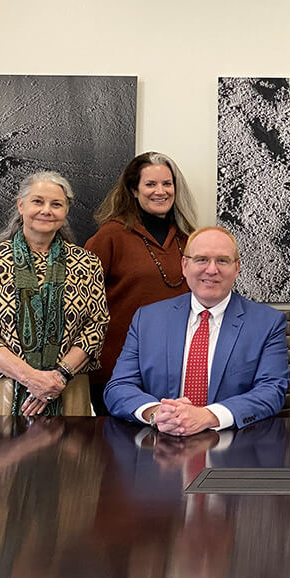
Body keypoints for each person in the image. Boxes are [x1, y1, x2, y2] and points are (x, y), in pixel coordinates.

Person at [104, 226, 288, 435]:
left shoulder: (268, 322)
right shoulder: (147, 319)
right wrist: (157, 413)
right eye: (201, 259)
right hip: (161, 443)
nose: (211, 270)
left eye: (222, 260)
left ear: (236, 268)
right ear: (184, 265)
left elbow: (272, 391)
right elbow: (118, 387)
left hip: (232, 448)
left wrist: (208, 416)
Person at [0, 171, 108, 415]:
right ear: (21, 205)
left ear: (65, 211)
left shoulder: (88, 263)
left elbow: (96, 326)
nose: (46, 210)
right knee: (0, 453)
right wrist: (32, 379)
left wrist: (58, 377)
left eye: (56, 204)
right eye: (37, 201)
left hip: (68, 388)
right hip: (4, 390)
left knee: (69, 453)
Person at [84, 151, 198, 415]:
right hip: (118, 373)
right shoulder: (109, 237)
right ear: (134, 190)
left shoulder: (188, 238)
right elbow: (84, 306)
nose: (161, 191)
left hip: (176, 370)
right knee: (118, 452)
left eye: (167, 184)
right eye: (151, 184)